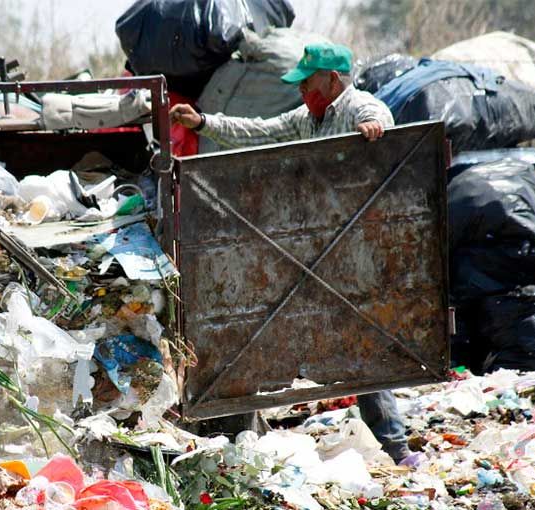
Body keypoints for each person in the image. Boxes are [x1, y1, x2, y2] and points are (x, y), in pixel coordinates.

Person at [171, 43, 411, 463]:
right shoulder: (307, 119)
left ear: (332, 80)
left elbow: (379, 120)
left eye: (308, 83)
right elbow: (260, 131)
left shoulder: (358, 106)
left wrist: (374, 127)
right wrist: (204, 122)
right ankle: (245, 427)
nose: (302, 92)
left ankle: (394, 445)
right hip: (313, 250)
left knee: (365, 349)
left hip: (353, 255)